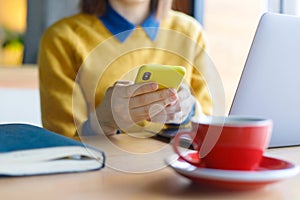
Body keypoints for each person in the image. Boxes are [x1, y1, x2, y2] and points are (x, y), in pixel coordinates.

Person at [38, 0, 213, 138]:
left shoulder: (191, 32)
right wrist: (103, 121)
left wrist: (189, 111)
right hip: (99, 176)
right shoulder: (61, 39)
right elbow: (61, 144)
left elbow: (210, 127)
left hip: (175, 172)